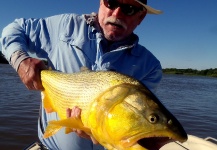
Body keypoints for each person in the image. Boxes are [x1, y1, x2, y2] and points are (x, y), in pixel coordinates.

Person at [1, 0, 163, 149]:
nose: (116, 14)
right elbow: (15, 29)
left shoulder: (150, 67)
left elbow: (138, 124)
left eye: (129, 9)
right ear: (101, 2)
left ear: (140, 16)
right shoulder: (65, 25)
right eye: (111, 2)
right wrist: (21, 60)